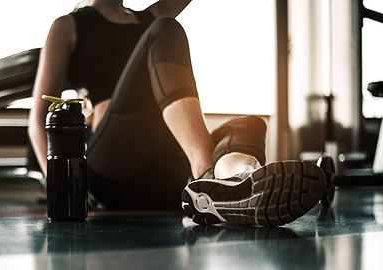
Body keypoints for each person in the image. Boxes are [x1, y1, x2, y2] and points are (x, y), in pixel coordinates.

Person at [28, 0, 326, 226]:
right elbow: (38, 117)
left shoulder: (146, 16)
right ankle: (205, 172)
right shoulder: (69, 24)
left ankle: (238, 180)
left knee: (248, 123)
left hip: (168, 177)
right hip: (115, 166)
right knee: (165, 28)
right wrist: (64, 189)